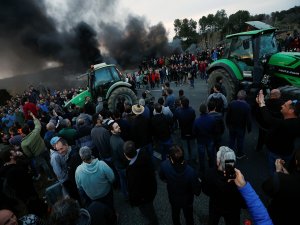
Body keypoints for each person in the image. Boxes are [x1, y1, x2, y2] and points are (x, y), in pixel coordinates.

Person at [256, 89, 300, 174]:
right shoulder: (296, 122)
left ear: (291, 111)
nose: (282, 105)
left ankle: (275, 182)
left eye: (285, 105)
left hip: (276, 153)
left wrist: (261, 102)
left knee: (275, 172)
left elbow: (268, 119)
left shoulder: (283, 124)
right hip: (288, 151)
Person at [201, 146, 246, 225]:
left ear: (218, 162)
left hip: (215, 206)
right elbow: (244, 202)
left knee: (213, 222)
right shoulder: (240, 179)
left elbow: (205, 190)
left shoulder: (209, 173)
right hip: (233, 210)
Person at [159, 145, 201, 225]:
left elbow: (162, 177)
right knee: (189, 217)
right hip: (187, 200)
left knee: (175, 215)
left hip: (173, 198)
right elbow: (197, 192)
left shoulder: (164, 165)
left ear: (171, 159)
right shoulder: (191, 172)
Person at [124, 141, 159, 225]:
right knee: (149, 207)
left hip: (143, 195)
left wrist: (132, 199)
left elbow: (133, 187)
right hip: (151, 188)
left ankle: (154, 222)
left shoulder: (132, 170)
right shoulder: (144, 154)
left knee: (149, 209)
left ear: (126, 156)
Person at [261, 149, 300, 225]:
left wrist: (278, 173)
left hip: (278, 216)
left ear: (296, 162)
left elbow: (265, 187)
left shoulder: (281, 179)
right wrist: (285, 175)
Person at [75, 146, 115, 210]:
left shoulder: (78, 170)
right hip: (106, 192)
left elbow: (79, 187)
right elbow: (112, 178)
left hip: (93, 197)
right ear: (91, 153)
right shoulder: (101, 164)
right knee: (110, 207)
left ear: (81, 157)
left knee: (100, 211)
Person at [226, 90, 252, 159]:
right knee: (240, 141)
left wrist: (227, 124)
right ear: (245, 97)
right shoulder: (247, 106)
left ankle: (229, 154)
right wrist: (249, 128)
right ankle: (239, 154)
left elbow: (228, 115)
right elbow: (248, 119)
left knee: (231, 140)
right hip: (241, 127)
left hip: (231, 126)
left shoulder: (232, 103)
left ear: (237, 96)